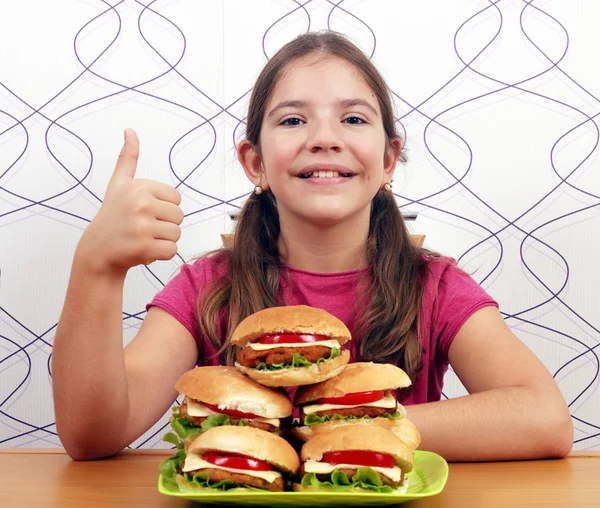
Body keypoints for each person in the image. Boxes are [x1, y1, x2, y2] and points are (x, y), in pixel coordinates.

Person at [52, 31, 573, 462]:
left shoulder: (434, 286)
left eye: (353, 119)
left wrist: (346, 430)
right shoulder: (206, 288)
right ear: (254, 162)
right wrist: (97, 267)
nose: (325, 138)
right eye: (293, 120)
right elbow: (93, 435)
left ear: (389, 160)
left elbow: (544, 418)